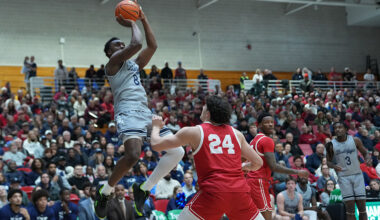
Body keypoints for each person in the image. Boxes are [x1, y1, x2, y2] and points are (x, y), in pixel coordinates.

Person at [94, 9, 184, 219]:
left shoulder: (133, 66)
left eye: (121, 43)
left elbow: (152, 46)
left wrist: (143, 19)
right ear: (110, 53)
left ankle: (144, 188)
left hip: (144, 112)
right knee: (133, 155)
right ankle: (105, 192)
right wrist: (132, 23)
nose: (121, 45)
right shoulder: (112, 65)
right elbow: (136, 44)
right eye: (116, 45)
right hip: (127, 111)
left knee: (177, 152)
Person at [150, 95, 264, 220]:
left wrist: (156, 127)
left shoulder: (193, 132)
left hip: (213, 193)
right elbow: (258, 162)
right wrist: (243, 166)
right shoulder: (237, 134)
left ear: (208, 113)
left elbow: (156, 145)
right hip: (239, 193)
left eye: (204, 106)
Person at [246, 112, 309, 220]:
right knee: (267, 217)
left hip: (252, 180)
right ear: (259, 125)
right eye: (267, 122)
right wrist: (297, 172)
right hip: (258, 181)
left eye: (272, 122)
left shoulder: (253, 141)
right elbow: (274, 167)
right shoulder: (267, 140)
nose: (271, 124)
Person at [326, 121, 369, 220]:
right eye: (336, 128)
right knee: (350, 210)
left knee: (362, 208)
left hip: (357, 175)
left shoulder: (355, 140)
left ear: (346, 129)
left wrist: (367, 158)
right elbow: (328, 162)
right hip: (343, 177)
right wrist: (333, 166)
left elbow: (365, 152)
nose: (338, 129)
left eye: (340, 127)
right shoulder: (330, 145)